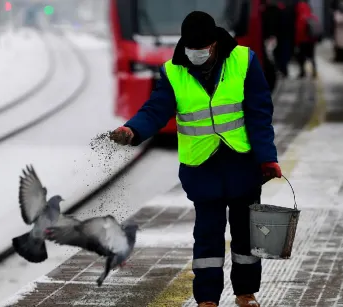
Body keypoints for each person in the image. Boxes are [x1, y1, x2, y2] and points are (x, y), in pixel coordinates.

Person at [109, 11, 282, 307]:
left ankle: (245, 292)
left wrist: (267, 158)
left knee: (246, 236)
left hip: (243, 163)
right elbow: (155, 109)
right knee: (207, 237)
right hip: (202, 168)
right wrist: (132, 130)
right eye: (191, 48)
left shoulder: (244, 61)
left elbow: (259, 114)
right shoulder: (173, 71)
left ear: (214, 44)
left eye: (202, 49)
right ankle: (207, 299)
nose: (196, 54)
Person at [295, 0, 321, 77]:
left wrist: (296, 42)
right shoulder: (312, 16)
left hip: (303, 41)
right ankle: (314, 71)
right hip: (311, 41)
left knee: (301, 57)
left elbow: (299, 31)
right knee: (312, 56)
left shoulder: (300, 18)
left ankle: (302, 72)